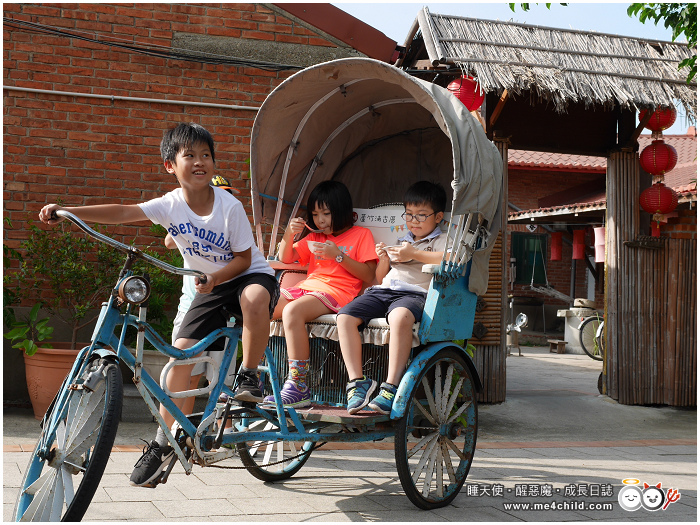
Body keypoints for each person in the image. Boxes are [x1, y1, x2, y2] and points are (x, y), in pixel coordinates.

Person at [39, 123, 279, 488]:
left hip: (245, 276)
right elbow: (124, 211)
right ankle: (163, 443)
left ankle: (249, 375)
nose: (200, 162)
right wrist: (70, 211)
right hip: (210, 287)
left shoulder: (228, 206)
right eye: (190, 156)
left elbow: (246, 259)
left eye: (206, 156)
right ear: (170, 165)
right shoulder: (169, 205)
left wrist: (215, 278)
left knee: (253, 297)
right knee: (178, 361)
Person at [336, 181, 449, 415]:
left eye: (421, 216)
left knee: (399, 317)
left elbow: (452, 259)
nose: (413, 221)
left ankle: (390, 387)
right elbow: (379, 279)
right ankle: (358, 382)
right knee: (345, 316)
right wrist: (384, 260)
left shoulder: (442, 239)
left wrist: (414, 253)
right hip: (384, 291)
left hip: (415, 294)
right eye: (409, 215)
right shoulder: (402, 240)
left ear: (438, 217)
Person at [263, 180, 378, 408]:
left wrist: (338, 256)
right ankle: (256, 375)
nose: (320, 220)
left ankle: (298, 384)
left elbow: (367, 274)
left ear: (342, 211)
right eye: (315, 215)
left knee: (293, 311)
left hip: (338, 292)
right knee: (263, 306)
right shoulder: (316, 237)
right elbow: (286, 260)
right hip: (308, 287)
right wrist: (289, 234)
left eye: (326, 213)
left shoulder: (361, 235)